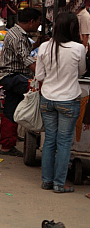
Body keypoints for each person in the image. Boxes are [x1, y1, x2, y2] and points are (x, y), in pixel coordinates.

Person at [35, 12, 85, 193]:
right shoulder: (78, 48)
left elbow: (39, 76)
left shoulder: (44, 47)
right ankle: (59, 183)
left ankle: (46, 180)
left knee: (49, 140)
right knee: (64, 142)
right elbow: (81, 72)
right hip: (69, 100)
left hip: (47, 98)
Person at [0, 7, 43, 157]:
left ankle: (6, 146)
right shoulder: (17, 35)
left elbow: (24, 52)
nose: (38, 25)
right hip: (13, 76)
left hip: (14, 75)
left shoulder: (18, 34)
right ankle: (31, 130)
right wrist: (42, 76)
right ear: (31, 21)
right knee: (37, 94)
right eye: (38, 22)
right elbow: (26, 59)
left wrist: (36, 45)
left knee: (10, 109)